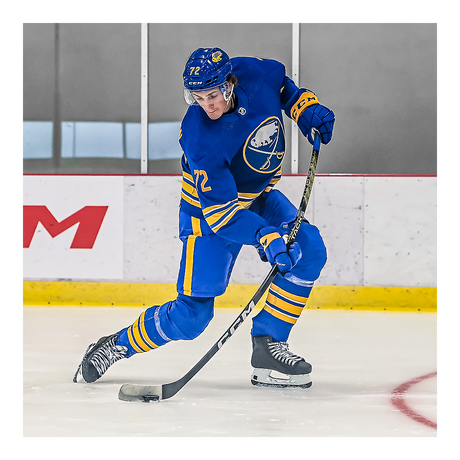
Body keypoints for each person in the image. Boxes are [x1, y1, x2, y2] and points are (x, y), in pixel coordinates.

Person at [74, 47, 335, 388]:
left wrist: (304, 108)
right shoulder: (199, 136)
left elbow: (283, 88)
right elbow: (223, 216)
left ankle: (268, 345)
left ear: (230, 83)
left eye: (212, 95)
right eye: (198, 97)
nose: (207, 105)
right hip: (208, 215)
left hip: (257, 199)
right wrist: (264, 236)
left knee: (309, 250)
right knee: (192, 317)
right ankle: (116, 345)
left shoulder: (257, 74)